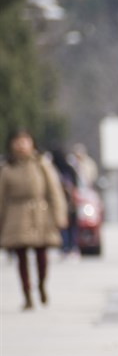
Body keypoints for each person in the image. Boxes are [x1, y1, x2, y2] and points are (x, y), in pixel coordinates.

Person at [0, 130, 67, 310]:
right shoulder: (7, 168)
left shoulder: (41, 164)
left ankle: (41, 285)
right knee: (20, 257)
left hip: (40, 212)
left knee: (41, 253)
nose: (21, 145)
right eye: (18, 142)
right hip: (16, 214)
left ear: (32, 143)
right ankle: (27, 294)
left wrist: (59, 215)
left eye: (25, 141)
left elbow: (55, 192)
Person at [50, 148, 80, 259]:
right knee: (69, 226)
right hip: (66, 202)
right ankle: (69, 247)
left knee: (66, 226)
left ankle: (66, 247)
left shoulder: (53, 169)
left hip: (66, 202)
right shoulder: (67, 168)